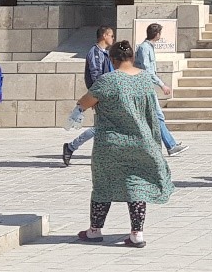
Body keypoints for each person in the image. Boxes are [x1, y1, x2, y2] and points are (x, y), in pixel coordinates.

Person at [75, 40, 174, 248]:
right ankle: (137, 233)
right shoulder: (146, 79)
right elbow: (151, 114)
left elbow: (84, 103)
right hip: (141, 141)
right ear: (131, 58)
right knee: (136, 185)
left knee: (103, 183)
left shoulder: (107, 81)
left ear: (112, 59)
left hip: (110, 144)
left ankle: (95, 230)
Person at [134, 22, 189, 157]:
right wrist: (162, 84)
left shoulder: (148, 47)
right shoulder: (144, 48)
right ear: (157, 34)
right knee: (157, 116)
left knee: (154, 117)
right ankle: (170, 145)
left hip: (147, 86)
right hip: (145, 87)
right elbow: (147, 70)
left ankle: (168, 144)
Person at [63, 27, 116, 166]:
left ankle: (73, 148)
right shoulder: (95, 53)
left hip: (105, 95)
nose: (113, 38)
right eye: (111, 35)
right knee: (101, 127)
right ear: (104, 36)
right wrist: (97, 96)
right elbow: (96, 76)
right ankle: (71, 147)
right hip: (101, 95)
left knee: (104, 127)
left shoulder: (105, 53)